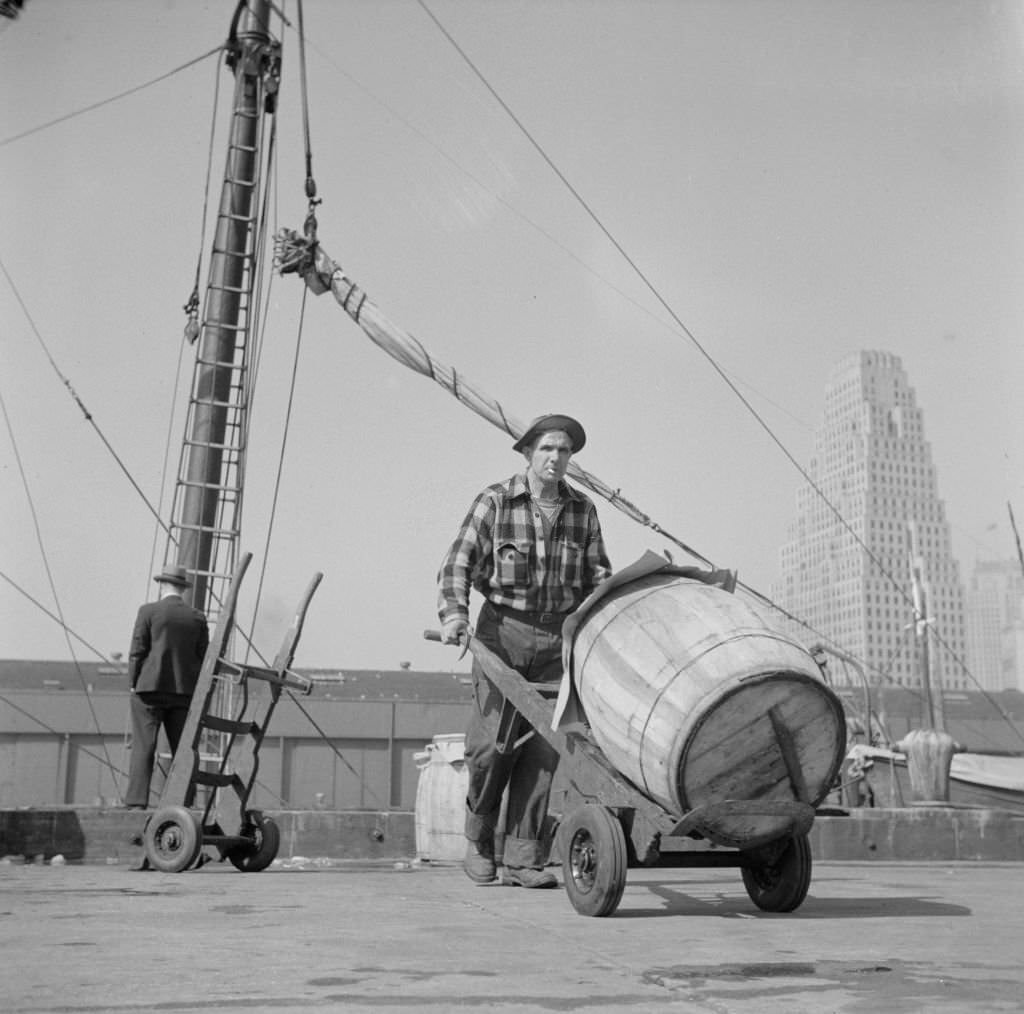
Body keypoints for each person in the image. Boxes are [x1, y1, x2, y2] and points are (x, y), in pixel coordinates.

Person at [437, 413, 612, 888]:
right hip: (501, 635)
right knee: (490, 748)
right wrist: (454, 615)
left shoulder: (584, 511)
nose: (556, 458)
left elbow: (598, 579)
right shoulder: (494, 502)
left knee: (542, 754)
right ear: (528, 453)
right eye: (547, 449)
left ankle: (523, 859)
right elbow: (457, 563)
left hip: (560, 641)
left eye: (565, 451)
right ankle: (479, 842)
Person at [123, 564, 210, 809]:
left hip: (149, 689)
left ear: (162, 585)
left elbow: (137, 650)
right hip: (184, 692)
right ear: (183, 589)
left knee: (144, 745)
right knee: (183, 750)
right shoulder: (197, 617)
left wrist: (133, 682)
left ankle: (137, 800)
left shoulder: (148, 612)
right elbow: (203, 657)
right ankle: (185, 801)